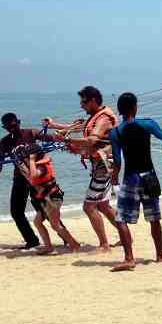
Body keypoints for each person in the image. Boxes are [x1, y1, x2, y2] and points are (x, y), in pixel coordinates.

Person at [107, 92, 162, 272]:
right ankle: (160, 255)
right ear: (135, 108)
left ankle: (129, 258)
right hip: (149, 176)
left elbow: (117, 160)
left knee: (121, 218)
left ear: (120, 111)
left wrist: (114, 175)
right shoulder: (147, 124)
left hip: (131, 178)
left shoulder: (115, 132)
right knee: (154, 218)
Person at [43, 86, 118, 252]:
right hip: (101, 165)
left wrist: (69, 141)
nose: (81, 106)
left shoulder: (103, 119)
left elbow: (92, 139)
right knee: (104, 205)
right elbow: (75, 127)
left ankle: (104, 245)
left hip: (104, 166)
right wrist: (54, 125)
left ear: (92, 101)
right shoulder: (94, 117)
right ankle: (125, 234)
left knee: (89, 206)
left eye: (83, 102)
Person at [0, 112, 47, 249]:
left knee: (46, 209)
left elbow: (50, 138)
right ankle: (32, 241)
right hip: (20, 178)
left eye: (14, 125)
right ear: (4, 128)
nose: (12, 129)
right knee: (16, 212)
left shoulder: (31, 133)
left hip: (36, 176)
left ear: (19, 122)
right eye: (8, 127)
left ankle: (65, 238)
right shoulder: (4, 143)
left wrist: (66, 139)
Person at [10, 143, 81, 255]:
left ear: (35, 156)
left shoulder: (41, 167)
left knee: (55, 225)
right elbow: (29, 178)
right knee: (38, 222)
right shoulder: (36, 165)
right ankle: (48, 247)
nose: (27, 159)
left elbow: (33, 176)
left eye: (28, 156)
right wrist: (20, 164)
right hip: (46, 200)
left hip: (53, 199)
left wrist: (31, 160)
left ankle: (74, 244)